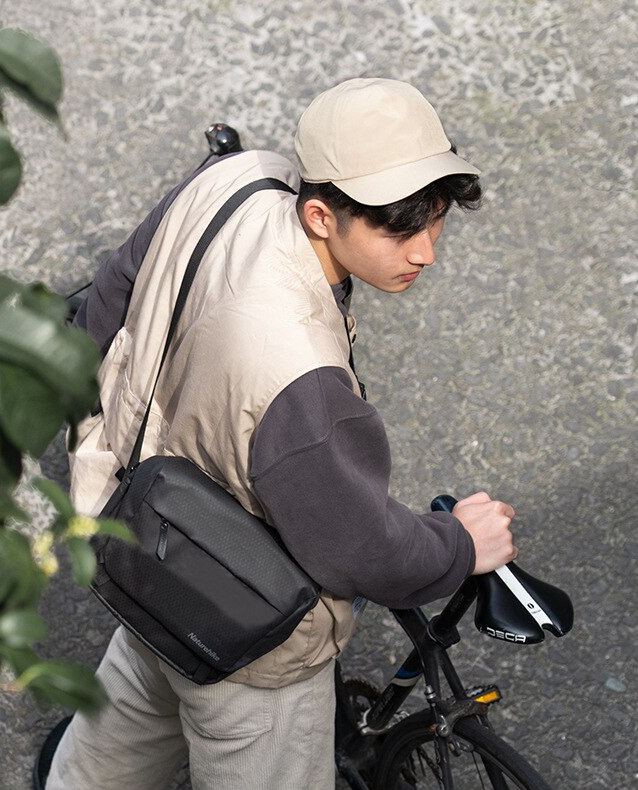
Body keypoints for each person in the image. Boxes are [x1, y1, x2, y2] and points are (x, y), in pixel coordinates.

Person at [40, 77, 518, 790]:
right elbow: (361, 549)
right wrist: (459, 545)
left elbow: (107, 303)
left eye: (437, 219)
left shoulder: (235, 179)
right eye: (399, 227)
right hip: (249, 638)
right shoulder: (302, 379)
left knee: (134, 705)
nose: (426, 252)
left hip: (142, 536)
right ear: (323, 216)